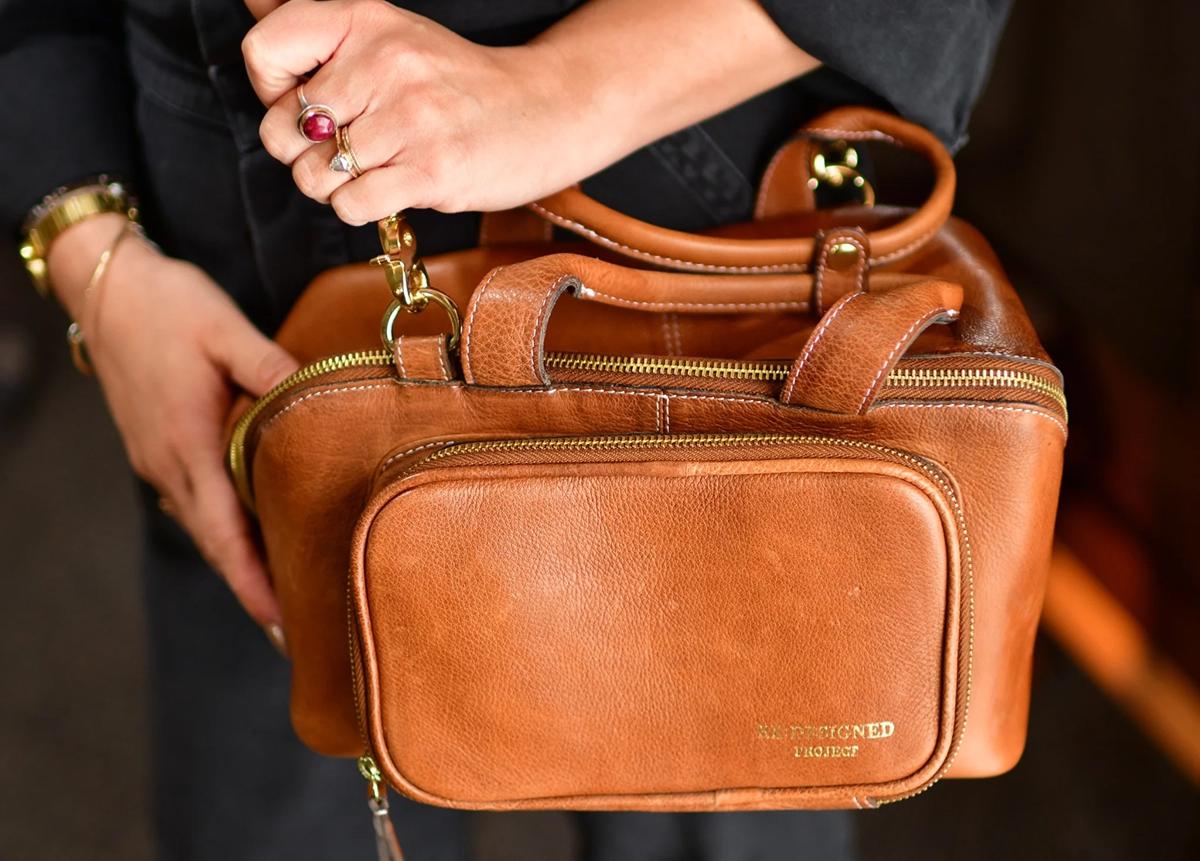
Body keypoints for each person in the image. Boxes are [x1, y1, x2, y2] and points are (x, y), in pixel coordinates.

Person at [0, 1, 1010, 858]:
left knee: (734, 760)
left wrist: (567, 86)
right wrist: (93, 252)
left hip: (697, 208)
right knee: (284, 790)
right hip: (232, 262)